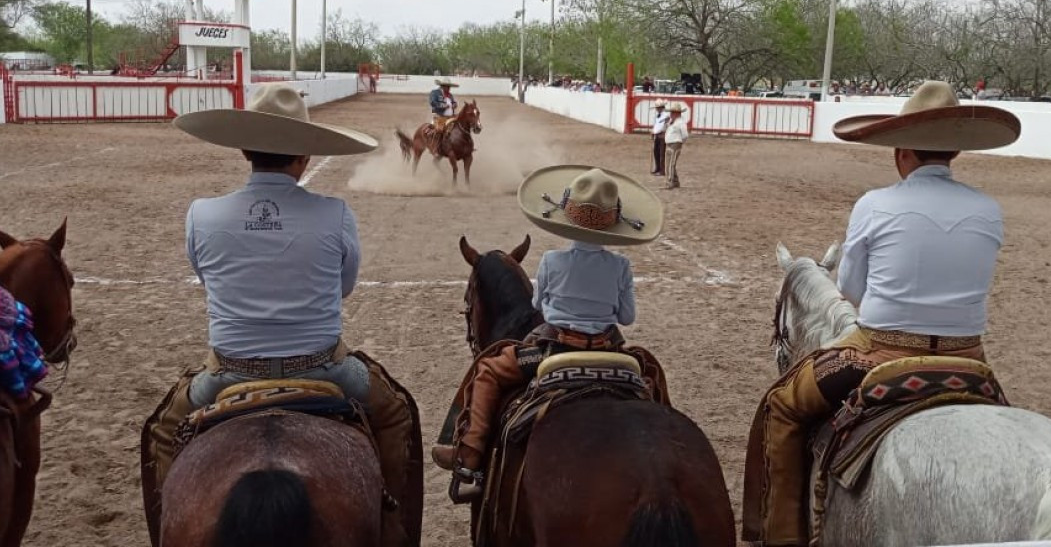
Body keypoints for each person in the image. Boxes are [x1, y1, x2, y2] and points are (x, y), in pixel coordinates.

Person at [741, 80, 1022, 546]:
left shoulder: (875, 204)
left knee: (783, 407)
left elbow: (849, 290)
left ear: (901, 152)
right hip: (970, 358)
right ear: (955, 152)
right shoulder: (988, 209)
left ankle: (780, 538)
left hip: (878, 352)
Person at [140, 83, 421, 547]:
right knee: (395, 414)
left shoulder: (202, 215)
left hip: (226, 375)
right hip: (325, 369)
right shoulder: (335, 213)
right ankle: (393, 527)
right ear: (304, 156)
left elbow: (208, 277)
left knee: (163, 430)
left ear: (244, 149)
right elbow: (345, 287)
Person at [430, 165, 664, 489]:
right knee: (652, 371)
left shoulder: (552, 261)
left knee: (488, 371)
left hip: (552, 352)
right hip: (611, 354)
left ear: (567, 219)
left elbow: (538, 305)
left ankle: (469, 459)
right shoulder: (621, 266)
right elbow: (626, 318)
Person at [429, 76, 460, 150]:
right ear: (442, 86)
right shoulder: (435, 93)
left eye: (449, 86)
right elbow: (432, 102)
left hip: (451, 117)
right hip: (439, 117)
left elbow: (454, 102)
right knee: (439, 130)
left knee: (460, 126)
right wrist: (443, 106)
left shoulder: (450, 95)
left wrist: (455, 104)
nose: (449, 88)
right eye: (447, 86)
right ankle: (436, 147)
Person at [663, 101, 689, 190]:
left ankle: (670, 182)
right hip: (671, 143)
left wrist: (680, 142)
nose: (671, 114)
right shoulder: (673, 122)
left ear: (677, 113)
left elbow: (685, 135)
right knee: (670, 164)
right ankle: (675, 181)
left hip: (675, 144)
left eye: (672, 112)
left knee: (670, 164)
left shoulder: (680, 122)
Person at [650, 98, 668, 175]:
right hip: (657, 135)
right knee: (656, 152)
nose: (657, 109)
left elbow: (662, 127)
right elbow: (656, 125)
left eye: (658, 108)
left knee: (661, 153)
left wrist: (655, 131)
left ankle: (662, 170)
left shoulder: (666, 116)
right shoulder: (657, 116)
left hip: (662, 135)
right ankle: (657, 168)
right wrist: (653, 131)